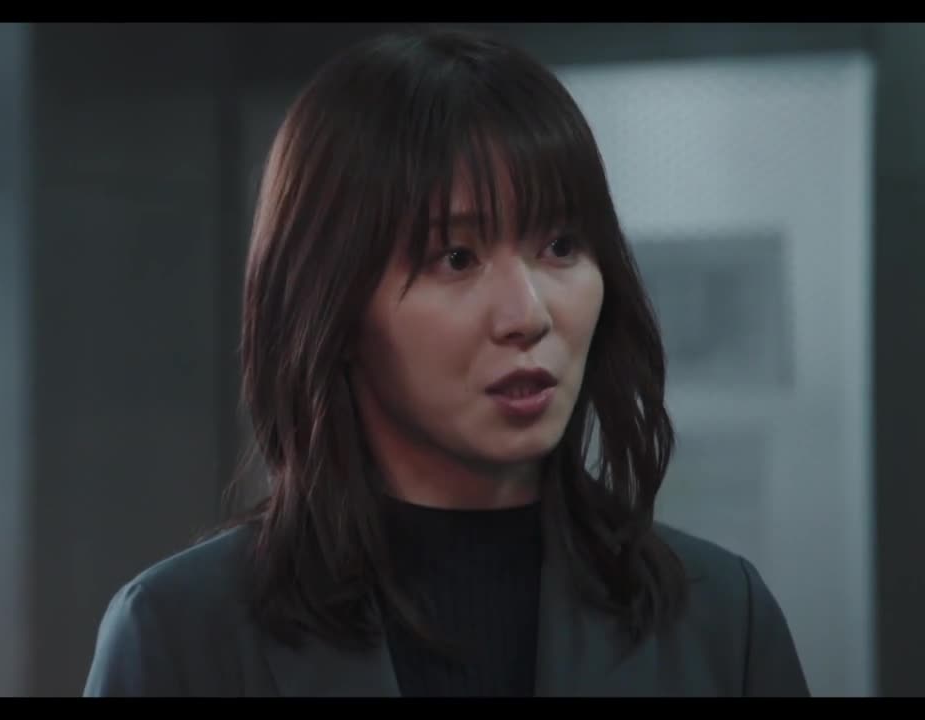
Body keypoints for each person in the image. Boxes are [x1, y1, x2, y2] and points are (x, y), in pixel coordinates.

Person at [82, 27, 810, 697]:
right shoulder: (180, 636)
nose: (527, 314)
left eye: (560, 246)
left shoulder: (721, 621)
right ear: (331, 303)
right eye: (456, 258)